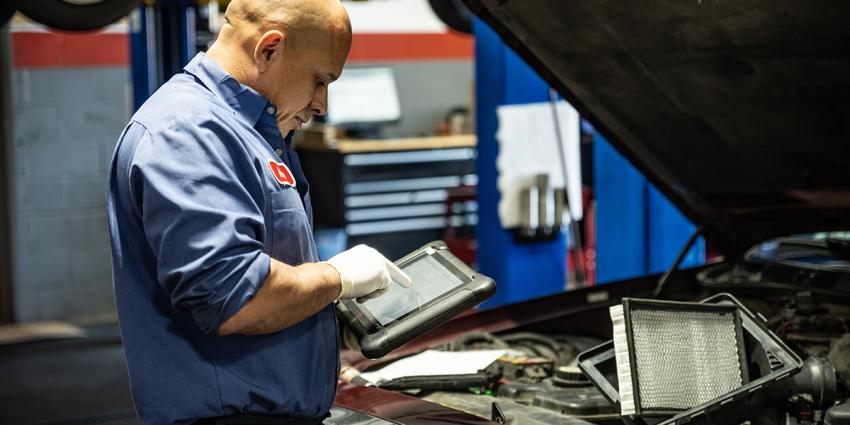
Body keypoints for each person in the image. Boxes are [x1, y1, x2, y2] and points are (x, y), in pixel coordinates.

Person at [106, 1, 411, 424]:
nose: (322, 103)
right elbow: (233, 298)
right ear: (269, 49)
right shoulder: (190, 132)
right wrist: (338, 279)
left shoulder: (250, 131)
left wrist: (323, 320)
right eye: (319, 80)